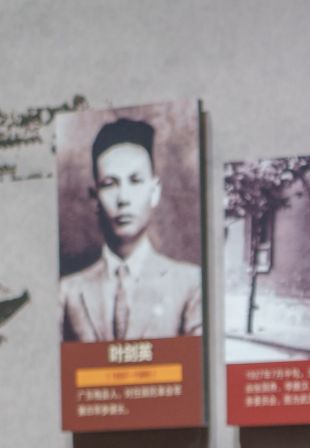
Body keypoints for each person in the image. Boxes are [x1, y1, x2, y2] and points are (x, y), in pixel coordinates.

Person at [59, 116, 203, 342]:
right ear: (95, 197)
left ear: (154, 191)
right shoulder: (68, 292)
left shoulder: (190, 284)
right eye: (109, 184)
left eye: (135, 181)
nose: (123, 198)